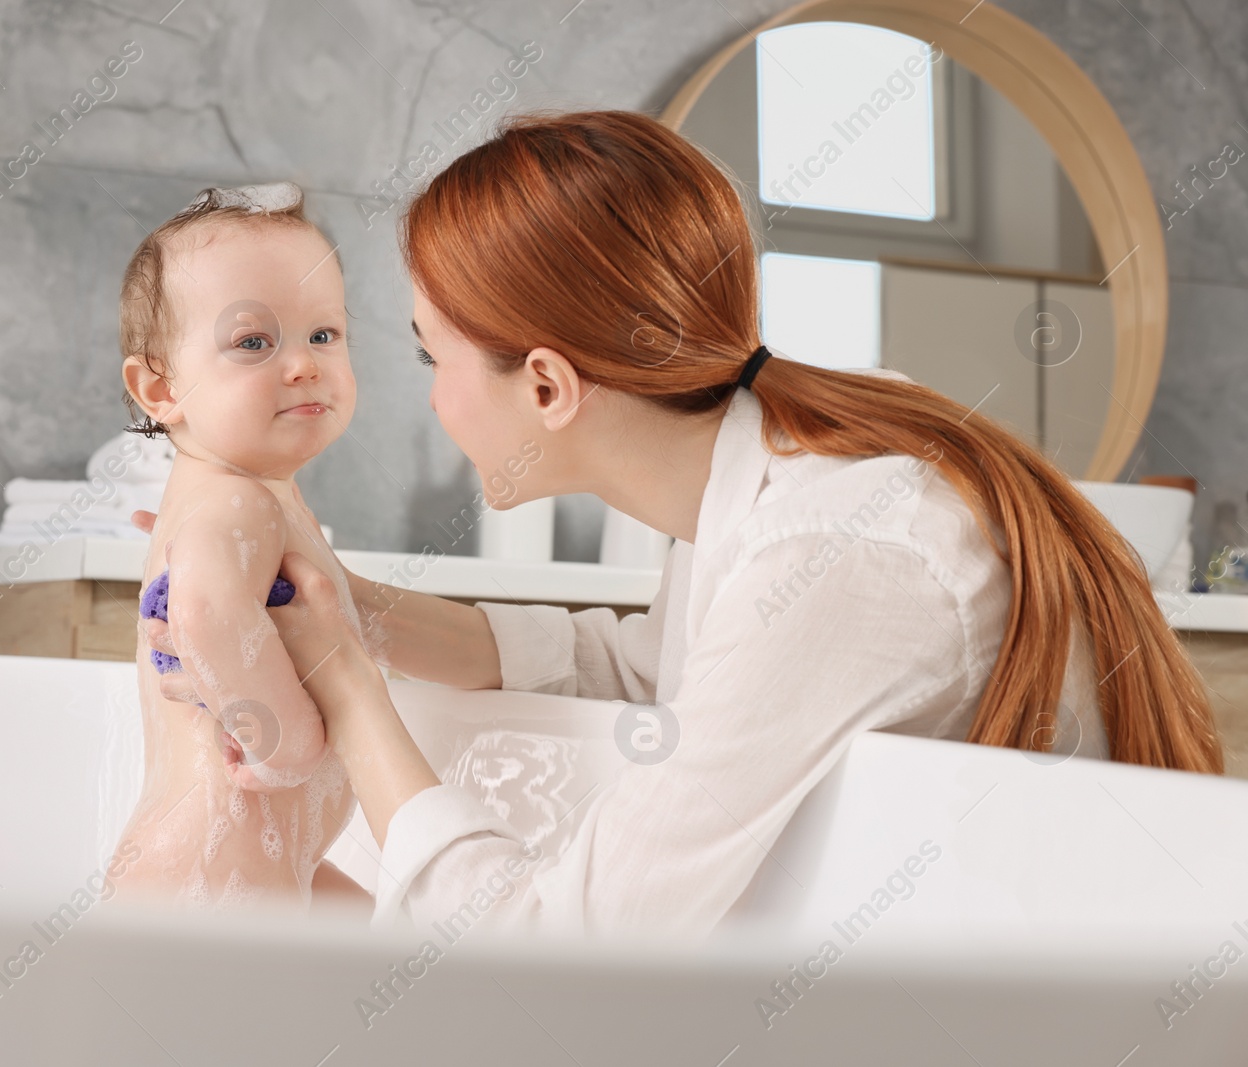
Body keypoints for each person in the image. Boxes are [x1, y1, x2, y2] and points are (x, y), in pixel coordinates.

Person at [140, 110, 1223, 937]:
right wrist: (357, 613)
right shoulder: (774, 472)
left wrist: (344, 682)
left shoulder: (843, 551)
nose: (427, 397)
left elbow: (566, 959)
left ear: (550, 387)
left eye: (435, 356)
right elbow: (639, 670)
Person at [107, 182, 362, 911]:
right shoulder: (236, 497)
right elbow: (204, 605)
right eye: (254, 342)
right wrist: (290, 745)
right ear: (159, 388)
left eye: (325, 334)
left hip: (252, 857)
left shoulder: (248, 490)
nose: (304, 363)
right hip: (216, 865)